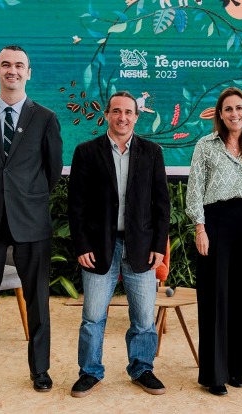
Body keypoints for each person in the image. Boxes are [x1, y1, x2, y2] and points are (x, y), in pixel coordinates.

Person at [0, 45, 63, 394]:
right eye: (6, 64)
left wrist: (25, 197)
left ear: (28, 73)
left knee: (37, 301)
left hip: (30, 220)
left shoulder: (45, 118)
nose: (12, 70)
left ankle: (40, 371)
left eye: (19, 65)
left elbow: (52, 171)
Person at [67, 91, 170, 398]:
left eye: (128, 112)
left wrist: (159, 246)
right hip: (100, 247)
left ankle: (142, 368)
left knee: (144, 318)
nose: (122, 117)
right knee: (93, 317)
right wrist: (82, 245)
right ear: (107, 115)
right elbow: (76, 205)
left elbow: (161, 204)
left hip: (141, 246)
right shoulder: (86, 152)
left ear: (136, 117)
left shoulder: (152, 152)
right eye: (116, 111)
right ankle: (90, 372)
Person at [185, 87, 242, 396]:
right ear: (220, 115)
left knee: (240, 298)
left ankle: (236, 368)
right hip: (215, 223)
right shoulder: (205, 145)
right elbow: (195, 188)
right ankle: (214, 374)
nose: (235, 113)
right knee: (214, 297)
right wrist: (200, 229)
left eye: (239, 108)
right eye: (228, 109)